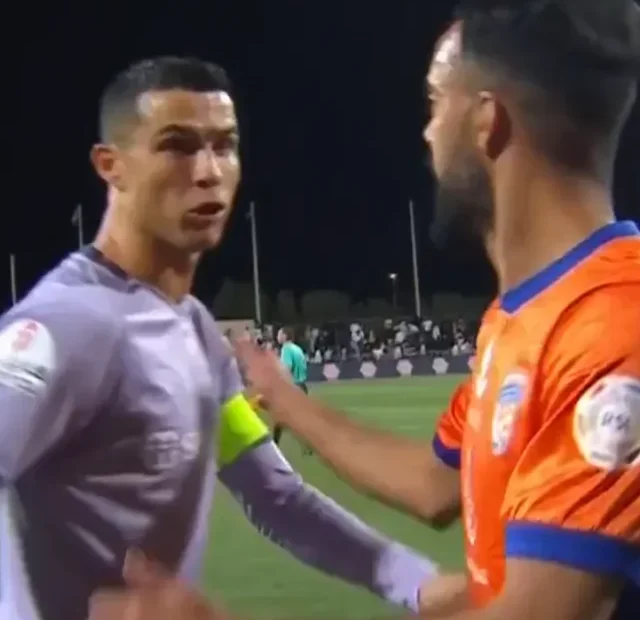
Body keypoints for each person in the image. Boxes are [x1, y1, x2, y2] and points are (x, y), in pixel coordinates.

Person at [87, 0, 640, 617]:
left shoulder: (614, 325)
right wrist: (289, 402)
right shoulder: (522, 317)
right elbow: (436, 483)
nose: (427, 133)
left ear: (487, 122)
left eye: (435, 102)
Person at [0, 56, 438, 620]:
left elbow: (273, 493)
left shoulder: (197, 332)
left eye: (224, 146)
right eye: (177, 145)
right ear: (111, 166)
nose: (207, 171)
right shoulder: (68, 324)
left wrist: (419, 584)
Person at [272, 326, 309, 450]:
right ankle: (310, 444)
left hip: (293, 387)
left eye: (279, 334)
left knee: (280, 416)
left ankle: (274, 445)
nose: (277, 336)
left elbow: (286, 369)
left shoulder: (286, 349)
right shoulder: (297, 348)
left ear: (285, 336)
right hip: (302, 386)